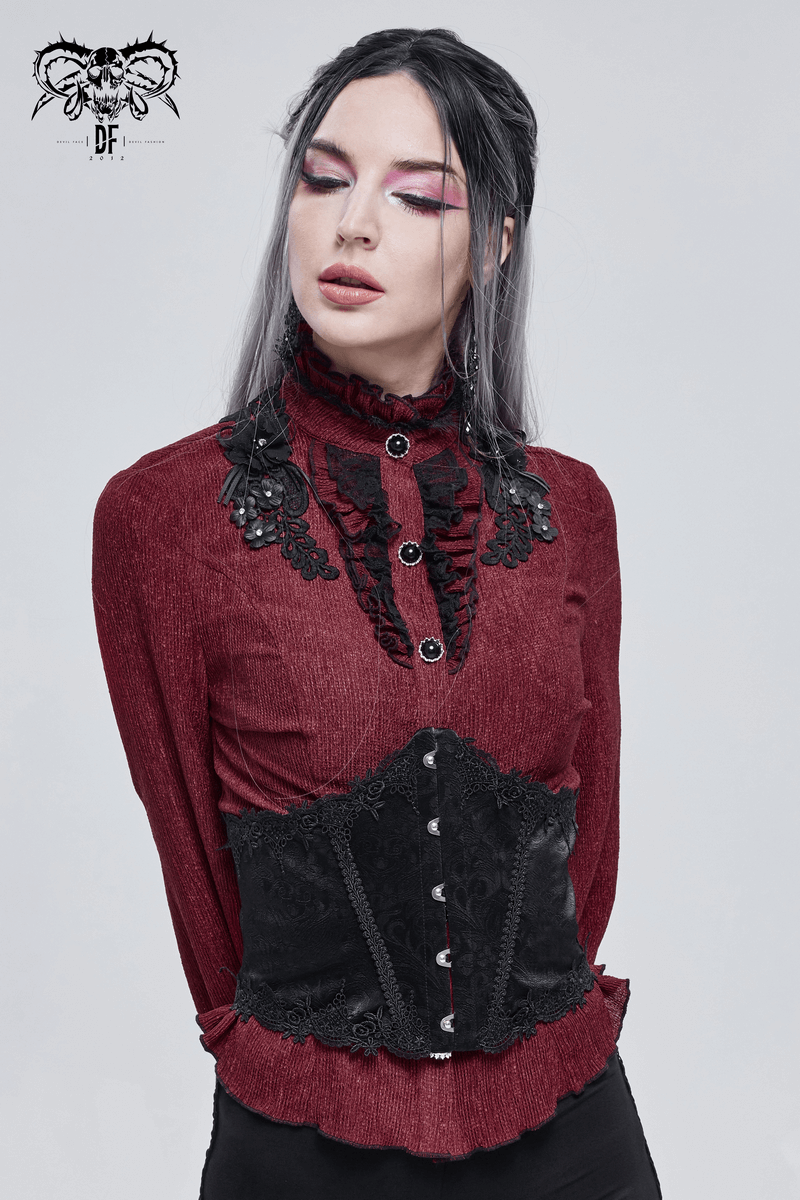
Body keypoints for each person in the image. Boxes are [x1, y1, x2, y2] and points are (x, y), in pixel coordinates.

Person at [93, 27, 661, 1199]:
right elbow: (199, 884)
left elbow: (583, 852)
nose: (351, 224)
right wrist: (268, 1056)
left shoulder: (573, 512)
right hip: (302, 1144)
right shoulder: (163, 519)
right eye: (322, 176)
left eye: (415, 197)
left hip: (571, 1133)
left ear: (495, 243)